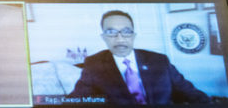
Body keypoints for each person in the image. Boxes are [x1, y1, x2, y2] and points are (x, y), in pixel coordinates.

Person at [69, 10, 210, 104]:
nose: (120, 38)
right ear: (104, 37)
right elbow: (76, 100)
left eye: (126, 32)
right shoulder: (94, 64)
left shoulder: (159, 61)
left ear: (133, 35)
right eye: (111, 32)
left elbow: (189, 92)